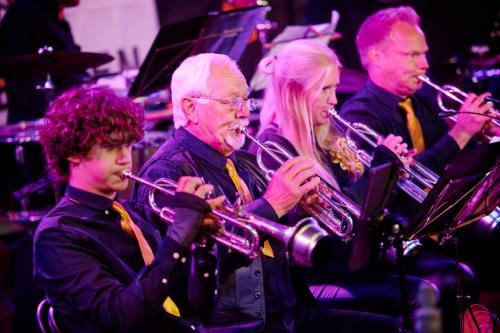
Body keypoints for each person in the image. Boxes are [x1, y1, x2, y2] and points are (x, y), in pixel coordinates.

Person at [131, 52, 400, 332]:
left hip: (286, 312)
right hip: (237, 325)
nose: (245, 112)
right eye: (232, 101)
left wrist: (297, 209)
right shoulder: (166, 174)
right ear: (190, 107)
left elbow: (277, 239)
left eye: (246, 100)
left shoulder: (241, 159)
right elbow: (185, 275)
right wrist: (272, 204)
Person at [254, 38, 478, 333]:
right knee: (424, 294)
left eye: (334, 88)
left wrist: (390, 176)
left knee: (459, 275)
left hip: (355, 260)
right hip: (321, 273)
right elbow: (332, 225)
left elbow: (365, 210)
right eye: (325, 89)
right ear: (295, 93)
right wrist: (378, 170)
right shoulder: (275, 148)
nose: (335, 100)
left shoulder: (327, 137)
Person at [34, 86, 222, 332]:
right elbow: (123, 319)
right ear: (74, 153)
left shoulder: (130, 214)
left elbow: (195, 313)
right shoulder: (57, 236)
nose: (125, 158)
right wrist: (177, 238)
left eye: (128, 145)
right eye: (112, 146)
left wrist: (201, 248)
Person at [339, 6, 496, 176]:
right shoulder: (358, 115)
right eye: (412, 55)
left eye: (424, 54)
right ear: (376, 57)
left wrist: (484, 137)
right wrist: (461, 133)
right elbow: (391, 183)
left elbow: (454, 164)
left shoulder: (424, 101)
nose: (424, 64)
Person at [0, 0, 85, 124]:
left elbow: (75, 70)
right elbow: (18, 71)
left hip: (61, 117)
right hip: (36, 124)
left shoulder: (60, 23)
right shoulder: (24, 12)